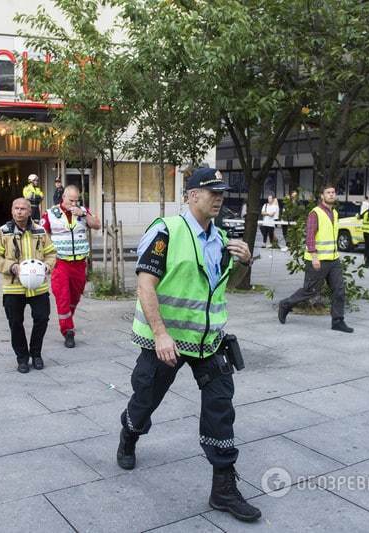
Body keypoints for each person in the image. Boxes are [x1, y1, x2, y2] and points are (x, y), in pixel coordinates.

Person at [117, 167, 260, 523]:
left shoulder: (222, 237)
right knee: (146, 397)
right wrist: (161, 334)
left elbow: (213, 287)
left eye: (222, 193)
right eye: (212, 192)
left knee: (220, 407)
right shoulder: (166, 230)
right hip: (164, 340)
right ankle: (129, 434)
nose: (219, 198)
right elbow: (145, 286)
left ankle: (223, 488)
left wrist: (243, 260)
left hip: (208, 343)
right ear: (192, 195)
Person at [0, 198, 57, 373]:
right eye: (16, 208)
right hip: (13, 287)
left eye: (23, 209)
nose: (19, 211)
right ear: (12, 211)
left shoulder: (40, 231)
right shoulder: (3, 232)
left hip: (38, 287)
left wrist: (47, 266)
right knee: (15, 323)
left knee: (42, 319)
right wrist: (10, 267)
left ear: (29, 211)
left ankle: (36, 353)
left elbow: (51, 253)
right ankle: (22, 358)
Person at [277, 184, 353, 333]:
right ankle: (286, 304)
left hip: (333, 259)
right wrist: (314, 257)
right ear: (322, 196)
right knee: (310, 291)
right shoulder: (315, 213)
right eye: (328, 192)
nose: (331, 194)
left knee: (339, 290)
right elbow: (310, 236)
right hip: (318, 259)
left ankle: (338, 321)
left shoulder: (335, 213)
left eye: (333, 192)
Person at [41, 184, 101, 348]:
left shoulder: (83, 211)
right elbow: (41, 234)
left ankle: (68, 318)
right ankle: (68, 331)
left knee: (74, 296)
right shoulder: (51, 213)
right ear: (63, 197)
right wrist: (46, 257)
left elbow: (97, 225)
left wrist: (83, 214)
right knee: (63, 296)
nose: (73, 203)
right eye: (70, 200)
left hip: (79, 263)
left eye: (76, 200)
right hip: (60, 263)